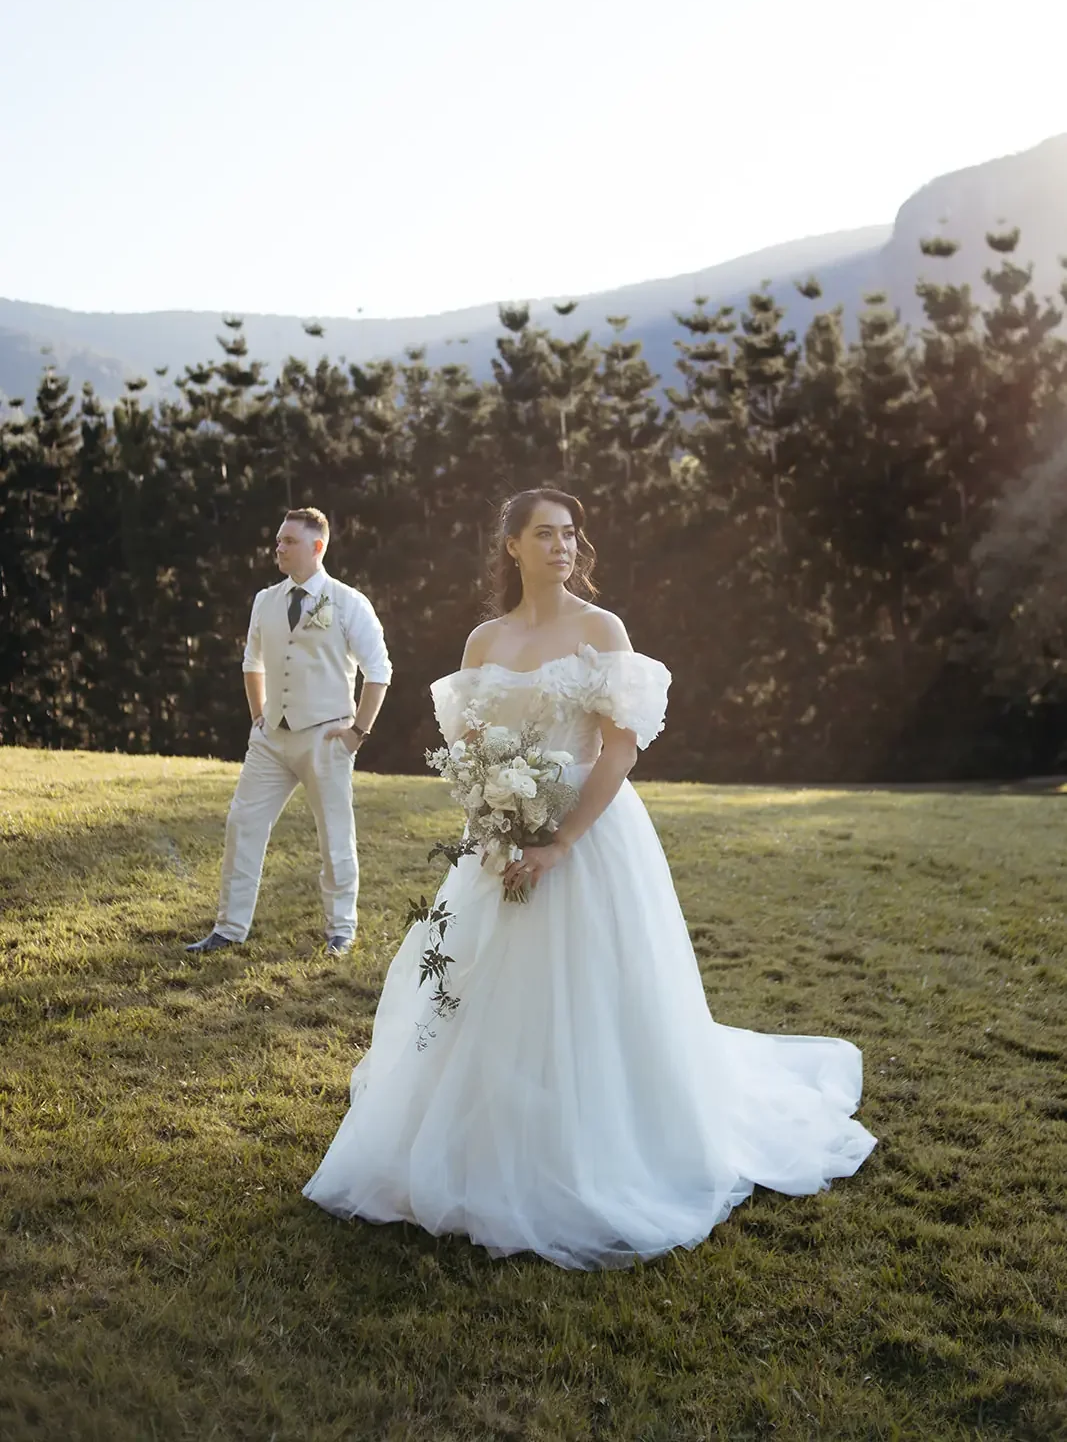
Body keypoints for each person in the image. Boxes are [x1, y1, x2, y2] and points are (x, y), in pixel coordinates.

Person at [303, 488, 875, 1265]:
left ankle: (594, 1139)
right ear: (511, 546)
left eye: (570, 535)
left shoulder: (600, 629)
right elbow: (468, 753)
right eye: (544, 535)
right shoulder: (484, 641)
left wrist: (559, 841)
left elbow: (619, 750)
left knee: (592, 990)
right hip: (501, 835)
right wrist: (496, 830)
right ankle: (487, 1134)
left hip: (591, 835)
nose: (562, 547)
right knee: (482, 988)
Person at [186, 507, 391, 957]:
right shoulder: (266, 600)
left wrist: (359, 732)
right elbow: (251, 662)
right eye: (278, 540)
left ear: (317, 547)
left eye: (289, 542)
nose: (278, 548)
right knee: (242, 824)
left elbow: (379, 671)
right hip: (270, 740)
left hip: (326, 739)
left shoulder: (349, 602)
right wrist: (259, 715)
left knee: (334, 834)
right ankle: (229, 928)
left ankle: (341, 930)